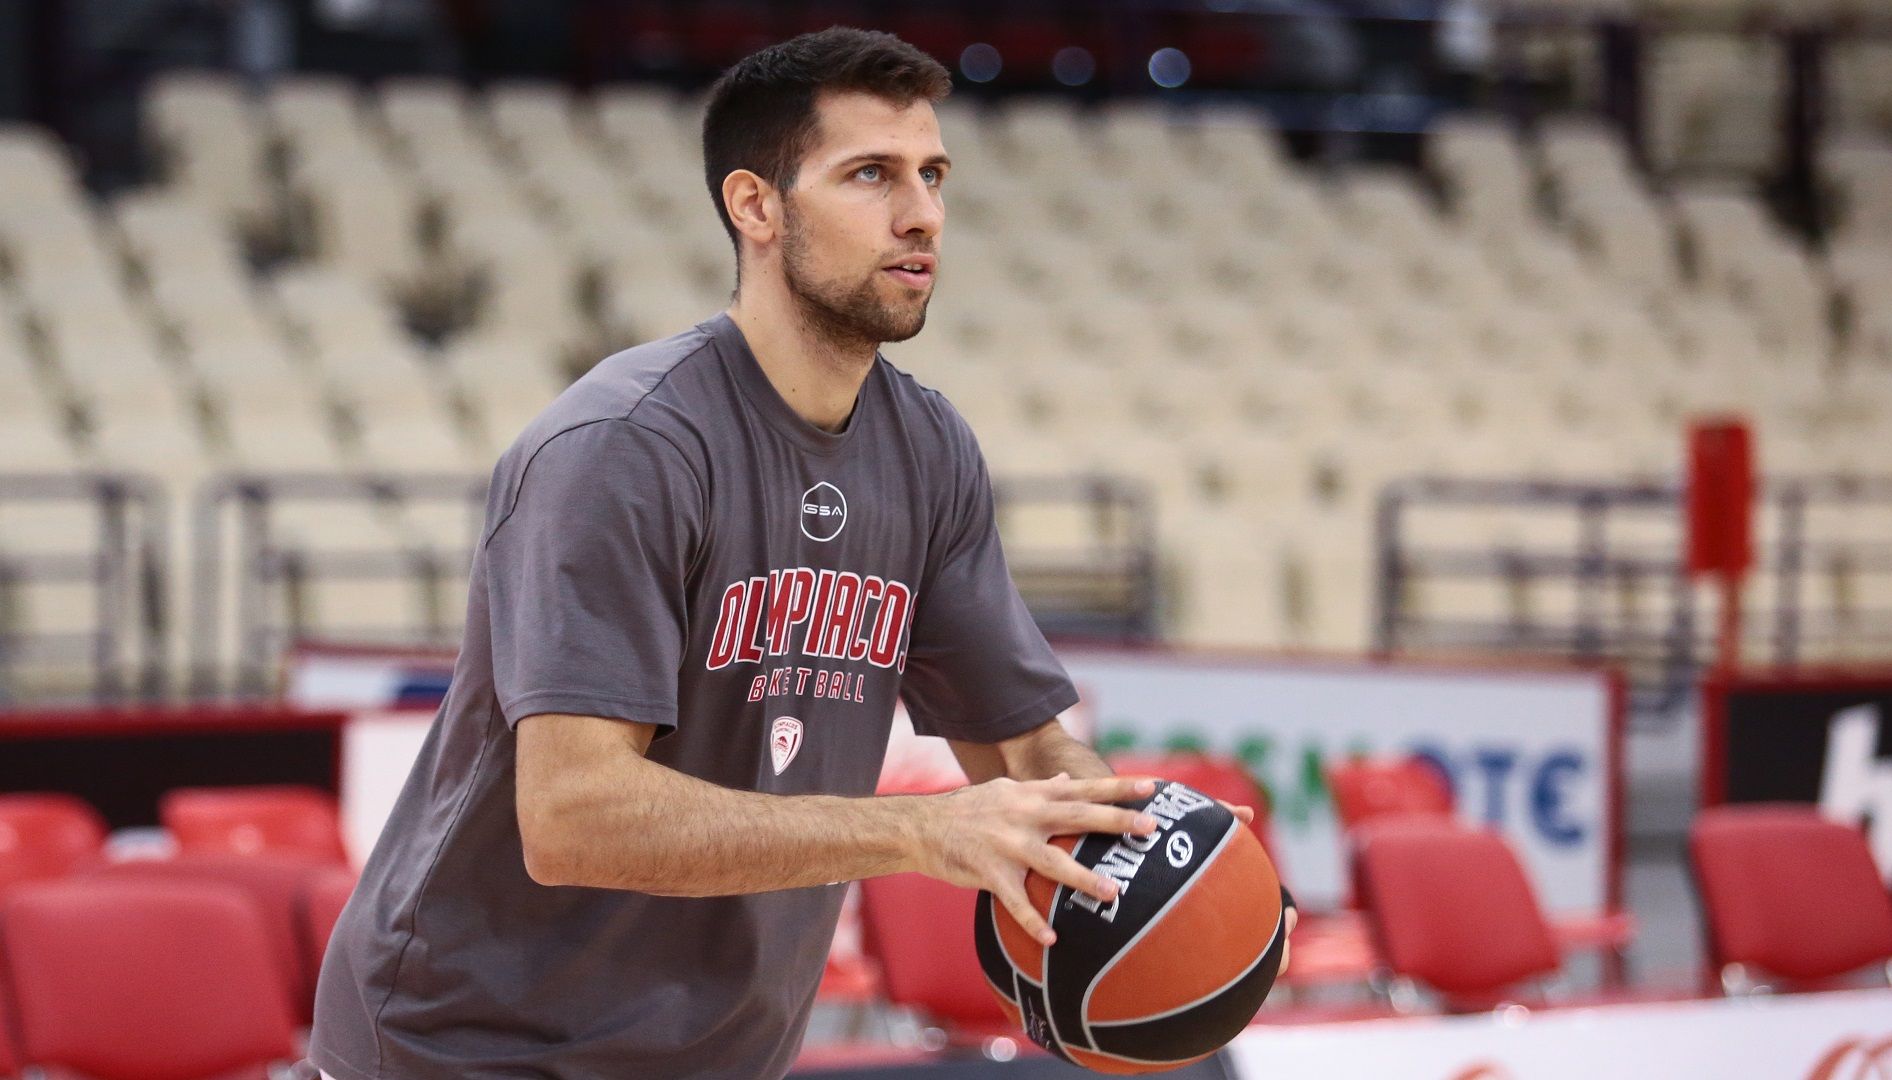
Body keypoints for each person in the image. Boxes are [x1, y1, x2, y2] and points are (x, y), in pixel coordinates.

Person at [309, 27, 1289, 1080]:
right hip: (469, 1049)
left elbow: (1025, 755)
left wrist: (1147, 857)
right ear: (756, 206)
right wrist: (920, 833)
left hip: (717, 1056)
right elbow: (574, 817)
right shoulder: (624, 448)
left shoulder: (927, 451)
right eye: (871, 174)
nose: (922, 213)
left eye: (933, 175)